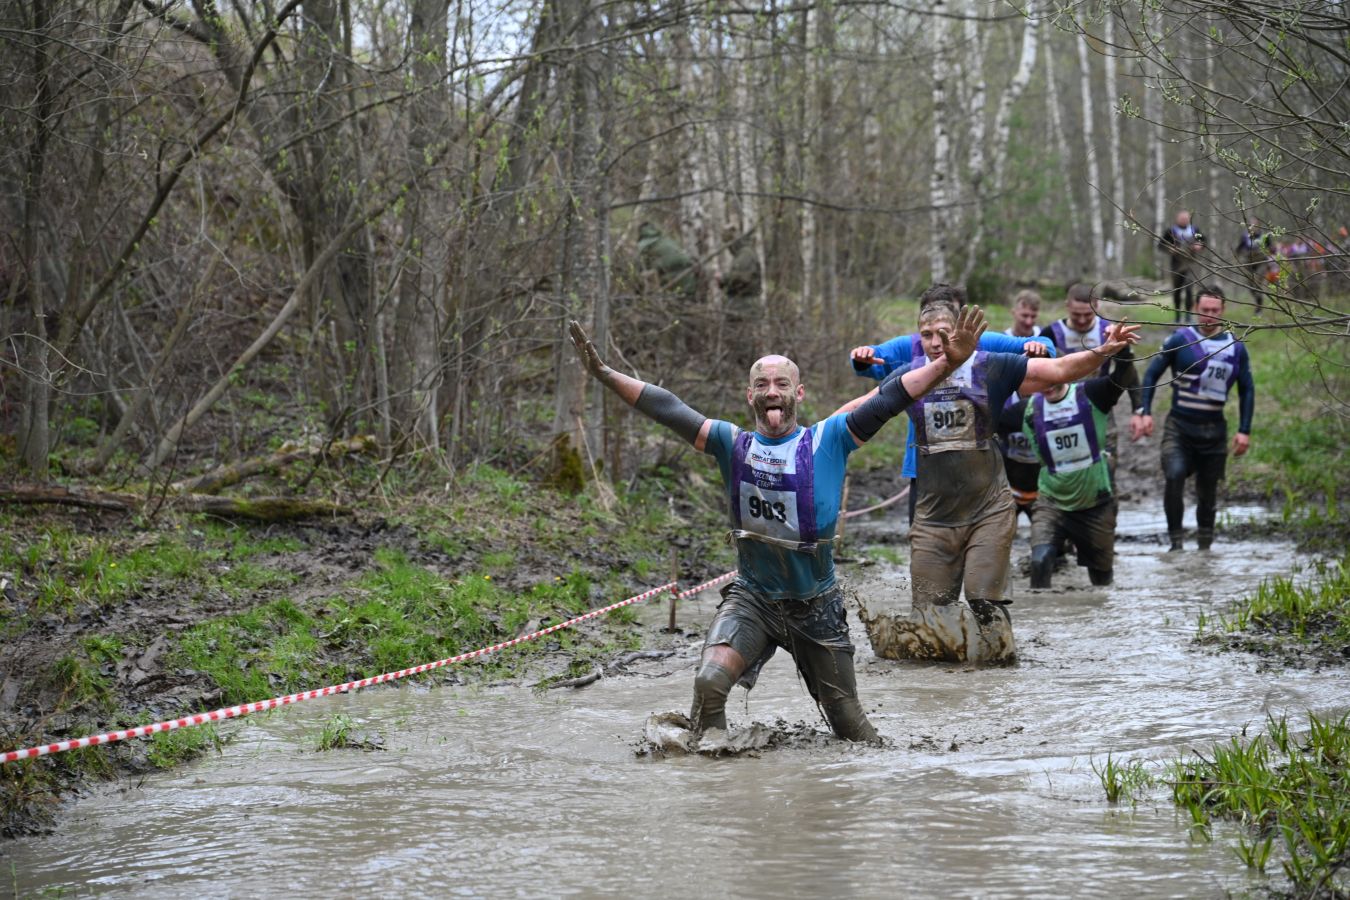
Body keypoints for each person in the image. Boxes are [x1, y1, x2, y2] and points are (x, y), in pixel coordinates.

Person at [567, 306, 988, 742]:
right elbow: (667, 407)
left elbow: (890, 397)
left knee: (854, 732)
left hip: (817, 607)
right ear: (750, 396)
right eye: (762, 385)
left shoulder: (830, 438)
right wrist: (603, 373)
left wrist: (947, 363)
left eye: (781, 384)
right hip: (755, 599)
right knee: (709, 682)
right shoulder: (729, 443)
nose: (773, 392)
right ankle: (709, 764)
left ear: (798, 394)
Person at [845, 284, 1140, 664]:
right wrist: (808, 437)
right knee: (930, 620)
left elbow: (1059, 369)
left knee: (984, 602)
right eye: (927, 336)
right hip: (934, 518)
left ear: (963, 334)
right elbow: (859, 407)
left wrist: (1103, 350)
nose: (936, 343)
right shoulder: (910, 377)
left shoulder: (992, 366)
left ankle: (1001, 680)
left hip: (988, 510)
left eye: (944, 335)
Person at [849, 297, 1055, 524]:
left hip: (979, 461)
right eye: (929, 330)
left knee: (983, 535)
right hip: (927, 463)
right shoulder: (913, 346)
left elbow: (1040, 346)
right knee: (924, 540)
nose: (938, 341)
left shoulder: (983, 342)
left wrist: (1040, 349)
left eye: (946, 325)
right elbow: (876, 362)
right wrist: (862, 358)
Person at [1134, 285, 1254, 551]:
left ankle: (1204, 549)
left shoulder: (1235, 347)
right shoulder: (1180, 339)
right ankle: (1175, 545)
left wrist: (1244, 429)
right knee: (1174, 475)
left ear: (1223, 311)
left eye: (1215, 311)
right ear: (1195, 310)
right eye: (1204, 311)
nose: (1209, 317)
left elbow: (1247, 389)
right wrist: (1145, 410)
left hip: (1214, 431)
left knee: (1207, 492)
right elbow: (1152, 375)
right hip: (1179, 427)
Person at [1021, 347, 1138, 588]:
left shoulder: (1092, 394)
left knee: (1101, 581)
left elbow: (1122, 378)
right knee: (1040, 560)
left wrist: (1123, 351)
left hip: (1095, 502)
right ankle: (1041, 620)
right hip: (1051, 502)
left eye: (1051, 375)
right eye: (1038, 379)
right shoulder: (1028, 409)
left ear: (1063, 371)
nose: (1046, 384)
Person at [1045, 283, 1142, 484]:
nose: (1081, 320)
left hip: (1100, 408)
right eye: (1076, 315)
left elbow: (1128, 371)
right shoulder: (1052, 334)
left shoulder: (1108, 332)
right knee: (1064, 472)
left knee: (1106, 470)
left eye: (1087, 315)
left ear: (1097, 306)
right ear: (1067, 306)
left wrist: (1138, 409)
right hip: (1060, 411)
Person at [1157, 209, 1206, 323]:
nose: (1184, 220)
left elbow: (1204, 240)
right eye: (1182, 218)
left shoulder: (1195, 230)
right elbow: (1160, 245)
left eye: (1186, 218)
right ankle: (1178, 315)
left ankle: (1188, 315)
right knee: (1177, 290)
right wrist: (1169, 248)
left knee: (1189, 289)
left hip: (1190, 264)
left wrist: (1200, 245)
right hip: (1176, 265)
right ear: (1177, 219)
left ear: (1189, 219)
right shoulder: (1171, 231)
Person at [1235, 219, 1275, 310]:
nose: (1254, 227)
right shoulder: (1245, 236)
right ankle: (1258, 298)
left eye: (1255, 225)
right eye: (1252, 225)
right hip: (1248, 262)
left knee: (1257, 282)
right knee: (1250, 284)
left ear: (1259, 226)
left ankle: (1259, 305)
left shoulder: (1264, 236)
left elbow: (1271, 248)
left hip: (1261, 262)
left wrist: (1271, 255)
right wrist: (1237, 257)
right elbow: (1239, 248)